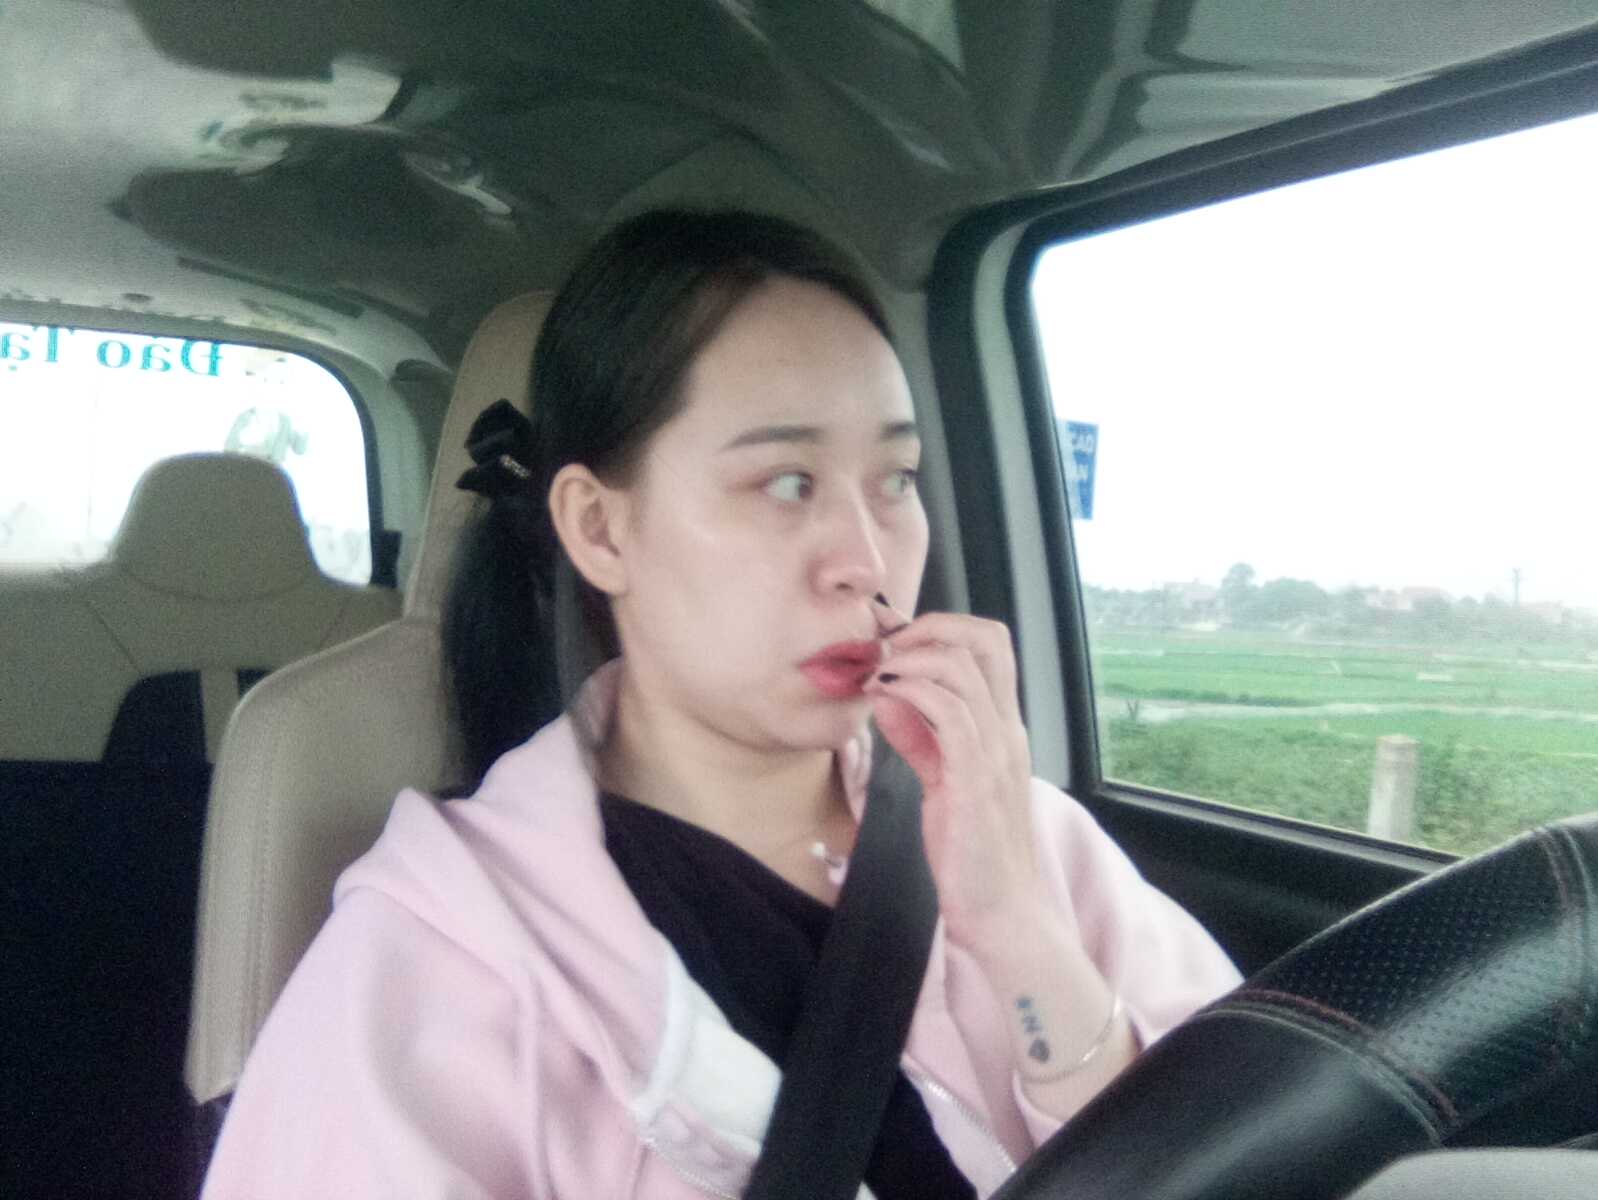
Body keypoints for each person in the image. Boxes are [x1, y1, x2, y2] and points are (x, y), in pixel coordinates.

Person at [200, 210, 1240, 1199]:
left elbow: (1261, 1150)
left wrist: (1020, 932)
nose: (867, 559)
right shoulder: (439, 964)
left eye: (896, 478)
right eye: (786, 483)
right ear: (600, 529)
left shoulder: (1026, 839)